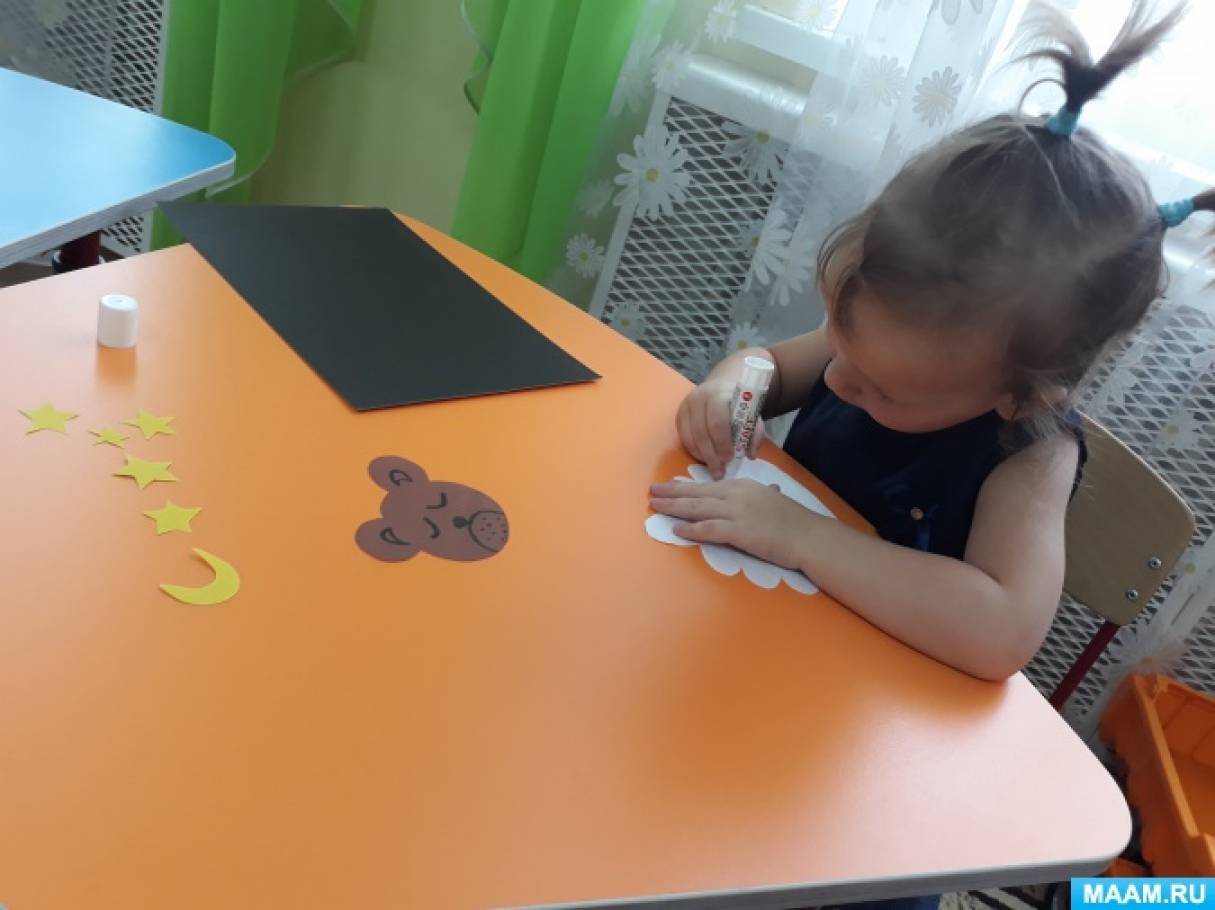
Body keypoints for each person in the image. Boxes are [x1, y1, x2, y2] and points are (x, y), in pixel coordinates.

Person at [650, 0, 1212, 682]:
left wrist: (801, 537)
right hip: (756, 632)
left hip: (875, 698)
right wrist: (731, 388)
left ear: (1021, 395)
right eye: (839, 341)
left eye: (880, 389)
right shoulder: (877, 345)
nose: (835, 380)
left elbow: (1002, 632)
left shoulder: (1032, 455)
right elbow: (766, 364)